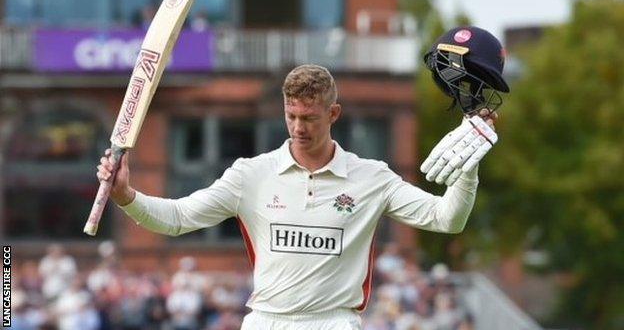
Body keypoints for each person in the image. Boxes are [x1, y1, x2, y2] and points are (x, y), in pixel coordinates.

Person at [96, 26, 508, 330]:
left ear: (333, 114)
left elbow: (446, 219)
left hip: (334, 322)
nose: (298, 127)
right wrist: (127, 194)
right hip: (266, 321)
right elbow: (177, 218)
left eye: (309, 118)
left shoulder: (371, 179)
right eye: (291, 116)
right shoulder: (250, 174)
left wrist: (467, 169)